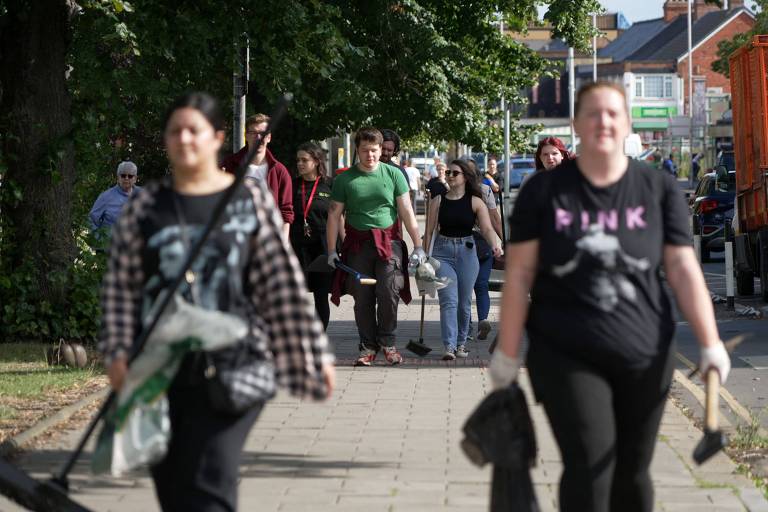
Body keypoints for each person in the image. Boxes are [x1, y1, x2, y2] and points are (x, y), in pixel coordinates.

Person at [489, 82, 731, 511]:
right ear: (578, 124)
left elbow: (681, 268)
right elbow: (520, 272)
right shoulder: (543, 193)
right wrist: (507, 355)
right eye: (593, 114)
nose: (603, 121)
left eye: (613, 114)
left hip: (644, 354)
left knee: (632, 473)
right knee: (588, 463)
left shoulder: (656, 189)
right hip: (564, 351)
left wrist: (710, 343)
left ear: (627, 124)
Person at [100, 92, 334, 511]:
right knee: (172, 487)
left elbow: (278, 282)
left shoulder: (247, 201)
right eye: (176, 131)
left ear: (217, 139)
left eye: (196, 130)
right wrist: (117, 351)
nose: (185, 139)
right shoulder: (147, 207)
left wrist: (310, 352)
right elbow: (121, 287)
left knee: (210, 483)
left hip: (233, 367)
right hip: (160, 369)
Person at [327, 127, 426, 366]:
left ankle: (388, 342)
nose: (369, 155)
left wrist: (418, 245)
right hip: (358, 245)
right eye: (364, 151)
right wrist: (331, 250)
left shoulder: (393, 175)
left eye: (374, 150)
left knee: (389, 290)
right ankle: (367, 346)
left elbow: (406, 211)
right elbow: (333, 215)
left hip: (388, 243)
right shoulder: (344, 179)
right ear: (357, 151)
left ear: (381, 150)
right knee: (362, 297)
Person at [423, 159, 502, 360]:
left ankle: (461, 344)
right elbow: (430, 231)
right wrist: (423, 258)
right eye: (448, 172)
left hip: (467, 252)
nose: (449, 175)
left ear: (465, 177)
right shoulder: (438, 201)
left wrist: (496, 244)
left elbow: (486, 229)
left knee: (464, 302)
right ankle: (449, 346)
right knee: (448, 300)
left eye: (454, 173)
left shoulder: (476, 202)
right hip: (442, 253)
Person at [221, 113, 293, 237]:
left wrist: (284, 242)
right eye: (253, 133)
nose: (258, 137)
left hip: (268, 238)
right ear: (246, 135)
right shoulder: (229, 166)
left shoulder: (279, 171)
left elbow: (286, 212)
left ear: (269, 137)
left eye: (263, 133)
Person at [290, 142, 333, 329]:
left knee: (321, 295)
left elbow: (338, 216)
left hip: (322, 248)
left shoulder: (329, 184)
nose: (300, 163)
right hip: (297, 247)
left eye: (304, 160)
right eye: (298, 160)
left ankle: (320, 335)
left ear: (316, 161)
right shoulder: (292, 185)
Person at [89, 161, 142, 231]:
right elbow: (91, 219)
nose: (126, 178)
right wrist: (98, 238)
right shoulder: (106, 197)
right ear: (118, 178)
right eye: (123, 175)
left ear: (135, 179)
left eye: (130, 176)